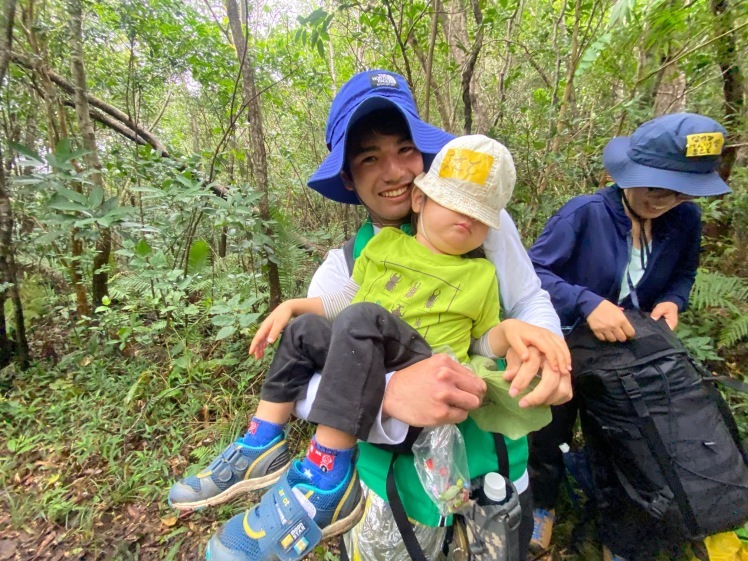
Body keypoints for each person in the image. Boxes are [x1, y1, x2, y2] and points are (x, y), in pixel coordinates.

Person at [168, 70, 572, 559]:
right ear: (348, 177)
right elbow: (311, 389)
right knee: (330, 326)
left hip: (492, 465)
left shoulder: (478, 221)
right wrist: (388, 395)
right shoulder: (345, 265)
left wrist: (545, 345)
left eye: (406, 149)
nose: (396, 172)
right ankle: (272, 454)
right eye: (369, 158)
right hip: (390, 482)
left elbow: (526, 298)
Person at [525, 112, 732, 561]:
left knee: (627, 440)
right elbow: (533, 274)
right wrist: (587, 303)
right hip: (565, 342)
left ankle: (620, 529)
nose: (665, 200)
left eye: (679, 191)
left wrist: (674, 301)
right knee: (548, 428)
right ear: (627, 176)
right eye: (657, 187)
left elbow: (684, 272)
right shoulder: (585, 215)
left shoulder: (684, 221)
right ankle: (542, 504)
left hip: (628, 356)